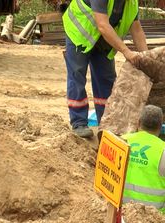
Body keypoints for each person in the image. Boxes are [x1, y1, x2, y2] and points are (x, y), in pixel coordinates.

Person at [63, 0, 148, 138]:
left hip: (103, 39)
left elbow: (136, 29)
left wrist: (147, 58)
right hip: (80, 32)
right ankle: (79, 123)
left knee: (106, 80)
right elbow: (102, 24)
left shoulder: (132, 2)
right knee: (77, 74)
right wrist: (126, 51)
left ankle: (106, 124)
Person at [122, 105, 165, 215]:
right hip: (154, 217)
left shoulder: (122, 141)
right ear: (160, 127)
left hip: (122, 210)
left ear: (138, 123)